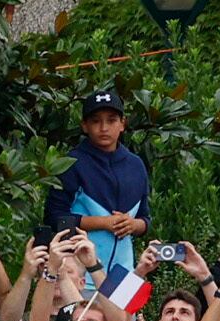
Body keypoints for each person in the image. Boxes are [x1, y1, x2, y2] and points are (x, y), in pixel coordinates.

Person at [45, 90, 151, 273]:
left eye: (111, 120)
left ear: (122, 124)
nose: (103, 128)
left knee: (119, 303)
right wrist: (103, 222)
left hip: (123, 271)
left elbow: (145, 218)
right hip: (79, 276)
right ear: (85, 125)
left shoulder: (136, 164)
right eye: (96, 121)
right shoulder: (71, 163)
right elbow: (54, 217)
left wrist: (134, 225)